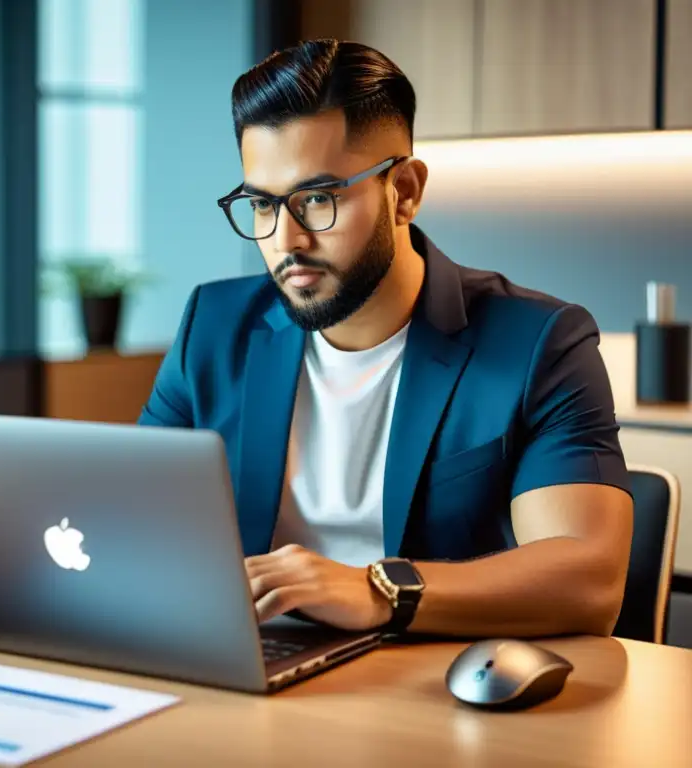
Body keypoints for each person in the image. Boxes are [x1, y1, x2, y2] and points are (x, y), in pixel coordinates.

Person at [137, 39, 633, 640]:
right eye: (263, 205)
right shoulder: (212, 329)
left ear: (405, 191)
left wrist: (378, 588)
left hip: (433, 690)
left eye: (317, 198)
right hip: (250, 669)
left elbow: (587, 581)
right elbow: (134, 521)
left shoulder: (539, 345)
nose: (285, 240)